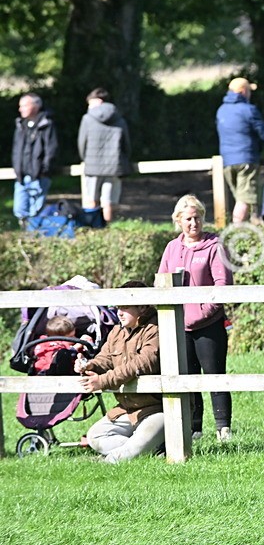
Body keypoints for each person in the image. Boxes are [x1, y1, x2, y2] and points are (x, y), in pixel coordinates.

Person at [158, 195, 234, 442]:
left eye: (198, 218)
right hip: (179, 326)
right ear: (178, 221)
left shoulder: (215, 246)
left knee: (215, 375)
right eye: (189, 219)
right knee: (187, 378)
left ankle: (223, 428)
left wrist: (202, 313)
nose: (194, 223)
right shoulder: (171, 248)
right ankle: (195, 428)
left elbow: (223, 285)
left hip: (208, 326)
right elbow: (161, 281)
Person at [76, 281, 164, 463]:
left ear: (142, 307)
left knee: (136, 447)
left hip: (158, 409)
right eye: (118, 308)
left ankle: (110, 461)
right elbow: (105, 358)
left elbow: (144, 363)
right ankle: (147, 450)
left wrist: (104, 380)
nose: (119, 312)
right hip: (127, 409)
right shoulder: (116, 332)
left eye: (125, 307)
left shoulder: (156, 329)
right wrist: (90, 366)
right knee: (94, 437)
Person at [216, 77, 264, 224]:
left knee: (243, 199)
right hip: (246, 160)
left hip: (227, 161)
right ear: (243, 91)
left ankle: (249, 229)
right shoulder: (249, 110)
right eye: (250, 90)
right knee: (244, 200)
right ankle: (236, 233)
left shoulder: (221, 110)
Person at [77, 88, 132, 225]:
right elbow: (126, 144)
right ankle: (108, 230)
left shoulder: (88, 118)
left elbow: (82, 143)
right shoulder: (119, 118)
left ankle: (93, 231)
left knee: (91, 200)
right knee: (108, 201)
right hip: (114, 166)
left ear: (98, 101)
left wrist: (85, 159)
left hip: (92, 166)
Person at [11, 93, 58, 229]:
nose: (21, 109)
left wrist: (44, 170)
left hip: (39, 176)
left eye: (24, 105)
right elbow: (16, 150)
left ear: (36, 106)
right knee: (19, 209)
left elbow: (51, 149)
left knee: (36, 211)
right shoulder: (20, 125)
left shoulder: (46, 124)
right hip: (21, 175)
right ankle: (25, 234)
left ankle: (35, 236)